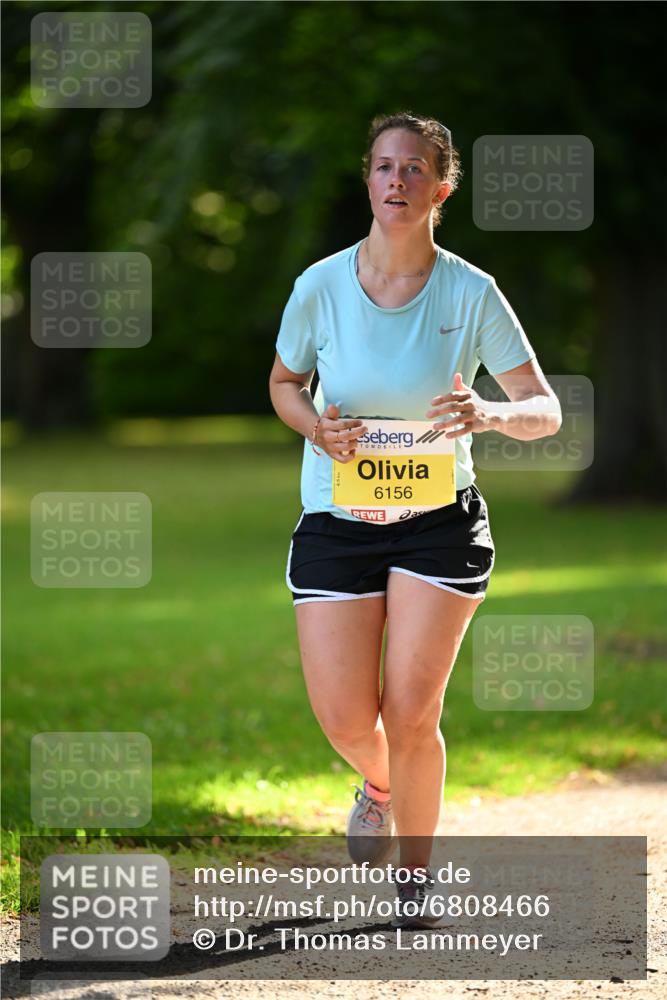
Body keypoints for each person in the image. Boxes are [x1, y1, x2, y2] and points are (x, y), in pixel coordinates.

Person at [268, 111, 561, 928]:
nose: (396, 181)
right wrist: (312, 425)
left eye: (414, 169)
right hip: (337, 517)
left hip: (438, 523)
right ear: (367, 179)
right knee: (342, 716)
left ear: (440, 186)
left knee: (410, 712)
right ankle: (380, 784)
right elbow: (285, 382)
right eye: (383, 167)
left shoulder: (471, 291)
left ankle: (416, 881)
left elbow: (544, 408)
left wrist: (492, 415)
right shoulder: (319, 285)